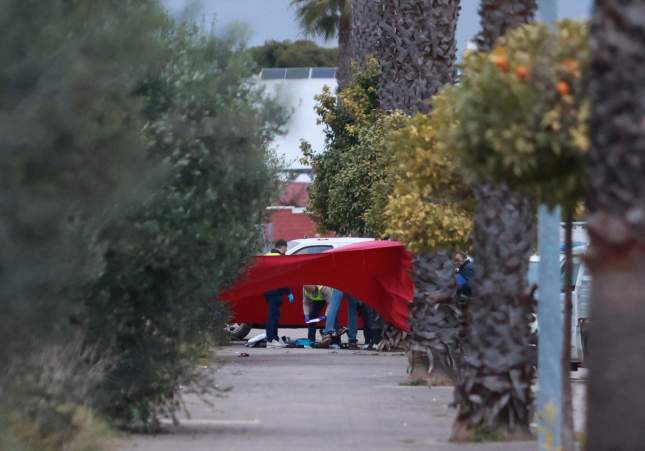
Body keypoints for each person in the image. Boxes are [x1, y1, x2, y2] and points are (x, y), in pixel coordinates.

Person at [263, 239, 294, 348]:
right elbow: (283, 277)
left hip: (267, 290)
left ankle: (274, 338)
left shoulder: (266, 256)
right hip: (274, 291)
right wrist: (289, 292)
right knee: (273, 316)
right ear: (282, 247)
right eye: (286, 248)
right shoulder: (280, 258)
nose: (286, 250)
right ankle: (270, 340)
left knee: (274, 315)